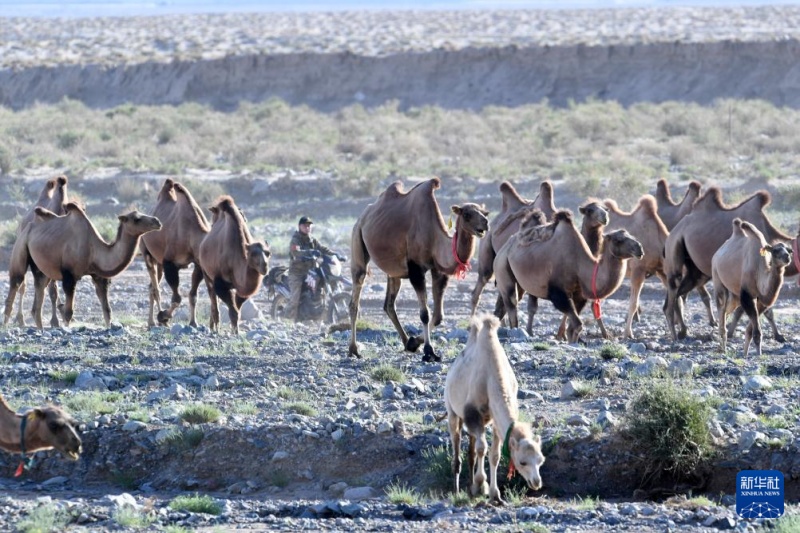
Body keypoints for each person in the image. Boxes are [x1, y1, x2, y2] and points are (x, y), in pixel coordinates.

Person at [287, 216, 343, 321]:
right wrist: (310, 252)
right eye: (305, 226)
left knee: (320, 291)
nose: (307, 228)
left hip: (311, 271)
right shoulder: (295, 239)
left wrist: (335, 254)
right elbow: (296, 252)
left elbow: (322, 248)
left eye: (309, 226)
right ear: (299, 226)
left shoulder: (312, 239)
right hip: (297, 273)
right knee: (295, 299)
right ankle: (287, 320)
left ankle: (322, 318)